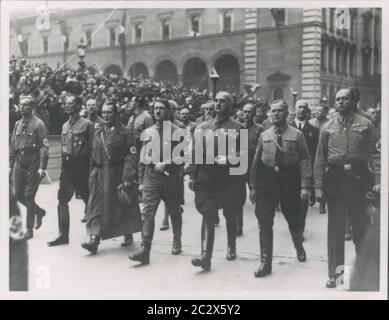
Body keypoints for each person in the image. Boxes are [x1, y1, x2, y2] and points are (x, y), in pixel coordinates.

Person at [314, 88, 375, 288]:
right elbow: (320, 158)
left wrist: (377, 182)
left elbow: (375, 156)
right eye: (337, 99)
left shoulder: (366, 125)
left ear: (353, 101)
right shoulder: (327, 127)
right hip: (336, 182)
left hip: (359, 181)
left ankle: (364, 274)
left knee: (361, 229)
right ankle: (336, 275)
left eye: (344, 99)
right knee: (336, 231)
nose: (340, 102)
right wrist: (318, 187)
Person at [249, 99, 311, 277]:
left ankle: (298, 245)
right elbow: (256, 162)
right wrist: (253, 186)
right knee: (264, 221)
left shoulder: (297, 135)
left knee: (293, 218)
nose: (275, 114)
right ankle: (265, 262)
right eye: (273, 111)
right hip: (267, 181)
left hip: (289, 179)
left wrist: (305, 186)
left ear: (286, 113)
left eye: (279, 111)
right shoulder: (265, 135)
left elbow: (305, 160)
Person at [189, 91, 245, 271]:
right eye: (217, 101)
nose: (218, 104)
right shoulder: (203, 127)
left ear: (230, 106)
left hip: (227, 178)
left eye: (223, 101)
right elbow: (196, 153)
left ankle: (231, 245)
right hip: (207, 177)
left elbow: (243, 154)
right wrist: (192, 175)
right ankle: (206, 256)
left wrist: (229, 158)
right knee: (208, 214)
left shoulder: (238, 127)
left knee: (229, 213)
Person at [81, 101, 142, 254]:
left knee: (121, 205)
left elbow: (132, 154)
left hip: (117, 173)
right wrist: (90, 175)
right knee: (94, 206)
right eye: (104, 112)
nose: (106, 115)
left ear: (116, 114)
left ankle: (127, 232)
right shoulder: (98, 132)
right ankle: (94, 239)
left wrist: (127, 177)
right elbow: (92, 157)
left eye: (109, 112)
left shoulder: (125, 132)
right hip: (99, 174)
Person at [129, 99, 184, 265]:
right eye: (155, 108)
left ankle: (177, 239)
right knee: (147, 213)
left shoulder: (177, 131)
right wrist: (140, 181)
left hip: (170, 177)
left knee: (174, 210)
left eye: (161, 108)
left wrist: (167, 163)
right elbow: (142, 157)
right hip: (151, 176)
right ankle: (145, 250)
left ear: (169, 111)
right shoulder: (148, 132)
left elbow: (183, 156)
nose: (158, 111)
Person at [47, 95, 94, 246]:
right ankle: (63, 235)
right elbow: (64, 148)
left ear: (79, 105)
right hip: (68, 167)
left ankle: (93, 236)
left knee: (89, 200)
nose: (67, 106)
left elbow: (93, 149)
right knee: (62, 199)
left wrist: (92, 170)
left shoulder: (87, 124)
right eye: (66, 103)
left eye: (71, 103)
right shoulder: (65, 126)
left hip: (82, 165)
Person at [10, 95, 49, 239]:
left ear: (32, 107)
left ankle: (29, 229)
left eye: (25, 105)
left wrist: (42, 166)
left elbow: (44, 147)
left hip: (33, 162)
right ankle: (39, 212)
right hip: (20, 162)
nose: (22, 107)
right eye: (21, 105)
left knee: (29, 195)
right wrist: (10, 164)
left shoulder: (39, 124)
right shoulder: (17, 124)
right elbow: (13, 145)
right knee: (18, 194)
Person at [123, 94, 154, 246]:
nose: (130, 103)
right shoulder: (131, 118)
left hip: (142, 157)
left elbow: (150, 138)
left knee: (142, 197)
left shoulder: (146, 117)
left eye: (133, 101)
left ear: (138, 103)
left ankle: (144, 235)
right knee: (128, 194)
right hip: (131, 156)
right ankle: (128, 232)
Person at [291, 100, 319, 239]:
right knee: (290, 202)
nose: (302, 110)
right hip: (288, 172)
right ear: (294, 110)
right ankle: (294, 225)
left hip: (305, 172)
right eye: (299, 107)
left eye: (304, 108)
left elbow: (315, 154)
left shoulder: (314, 131)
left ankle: (299, 229)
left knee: (303, 202)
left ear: (307, 111)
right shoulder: (286, 128)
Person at [237, 103, 264, 236]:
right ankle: (238, 225)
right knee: (238, 196)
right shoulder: (237, 128)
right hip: (239, 165)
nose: (247, 114)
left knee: (257, 196)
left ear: (254, 114)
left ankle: (261, 221)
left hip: (254, 166)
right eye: (245, 112)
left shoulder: (260, 129)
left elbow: (262, 149)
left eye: (250, 112)